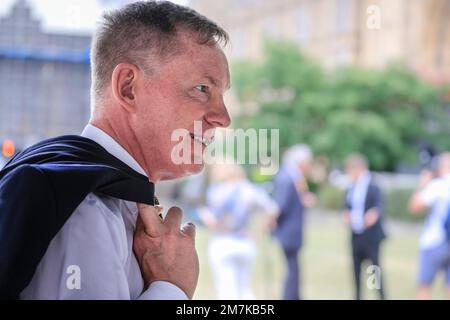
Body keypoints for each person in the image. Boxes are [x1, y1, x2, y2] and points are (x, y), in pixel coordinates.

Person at [0, 1, 231, 299]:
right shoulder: (83, 210)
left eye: (221, 96)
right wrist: (171, 288)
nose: (223, 118)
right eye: (202, 89)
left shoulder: (94, 193)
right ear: (128, 88)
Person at [199, 163, 279, 299]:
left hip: (223, 241)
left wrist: (203, 214)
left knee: (226, 291)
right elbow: (272, 209)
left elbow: (211, 220)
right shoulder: (250, 189)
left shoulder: (217, 191)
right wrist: (262, 229)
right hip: (245, 241)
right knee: (245, 290)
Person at [272, 144, 315, 300]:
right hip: (288, 230)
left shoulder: (294, 176)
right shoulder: (288, 177)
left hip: (292, 230)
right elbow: (281, 205)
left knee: (294, 268)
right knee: (292, 269)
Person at [343, 154, 386, 300]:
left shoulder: (373, 185)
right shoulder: (351, 187)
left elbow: (379, 206)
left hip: (371, 235)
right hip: (356, 234)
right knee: (356, 269)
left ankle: (381, 296)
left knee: (374, 270)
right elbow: (348, 206)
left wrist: (374, 214)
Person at [408, 152, 450, 300]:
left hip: (435, 241)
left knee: (424, 286)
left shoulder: (439, 185)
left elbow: (414, 207)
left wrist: (423, 183)